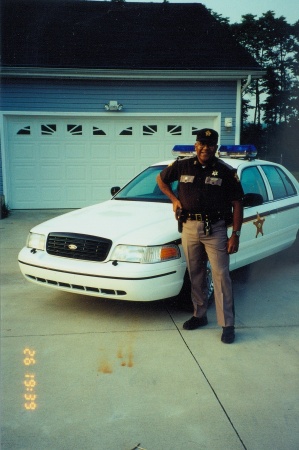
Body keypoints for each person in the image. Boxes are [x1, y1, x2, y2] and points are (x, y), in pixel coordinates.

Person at [157, 128, 244, 343]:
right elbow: (161, 180)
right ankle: (199, 315)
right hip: (189, 227)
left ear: (216, 147)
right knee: (195, 273)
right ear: (196, 145)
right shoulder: (182, 165)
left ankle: (227, 324)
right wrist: (174, 200)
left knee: (221, 275)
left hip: (215, 229)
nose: (205, 148)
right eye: (201, 144)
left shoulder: (225, 171)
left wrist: (236, 234)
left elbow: (237, 203)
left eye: (210, 145)